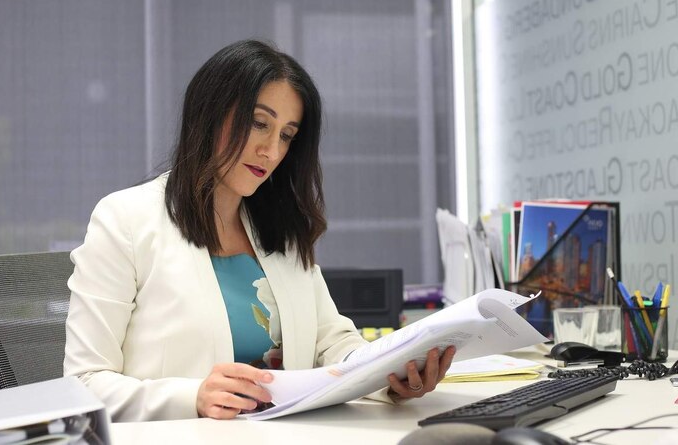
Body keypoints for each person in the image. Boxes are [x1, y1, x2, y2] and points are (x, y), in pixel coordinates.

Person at [63, 39, 456, 422]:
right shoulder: (126, 220)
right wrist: (193, 396)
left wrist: (390, 377)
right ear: (209, 114)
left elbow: (333, 343)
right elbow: (83, 384)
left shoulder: (280, 230)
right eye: (258, 123)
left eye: (286, 135)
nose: (272, 151)